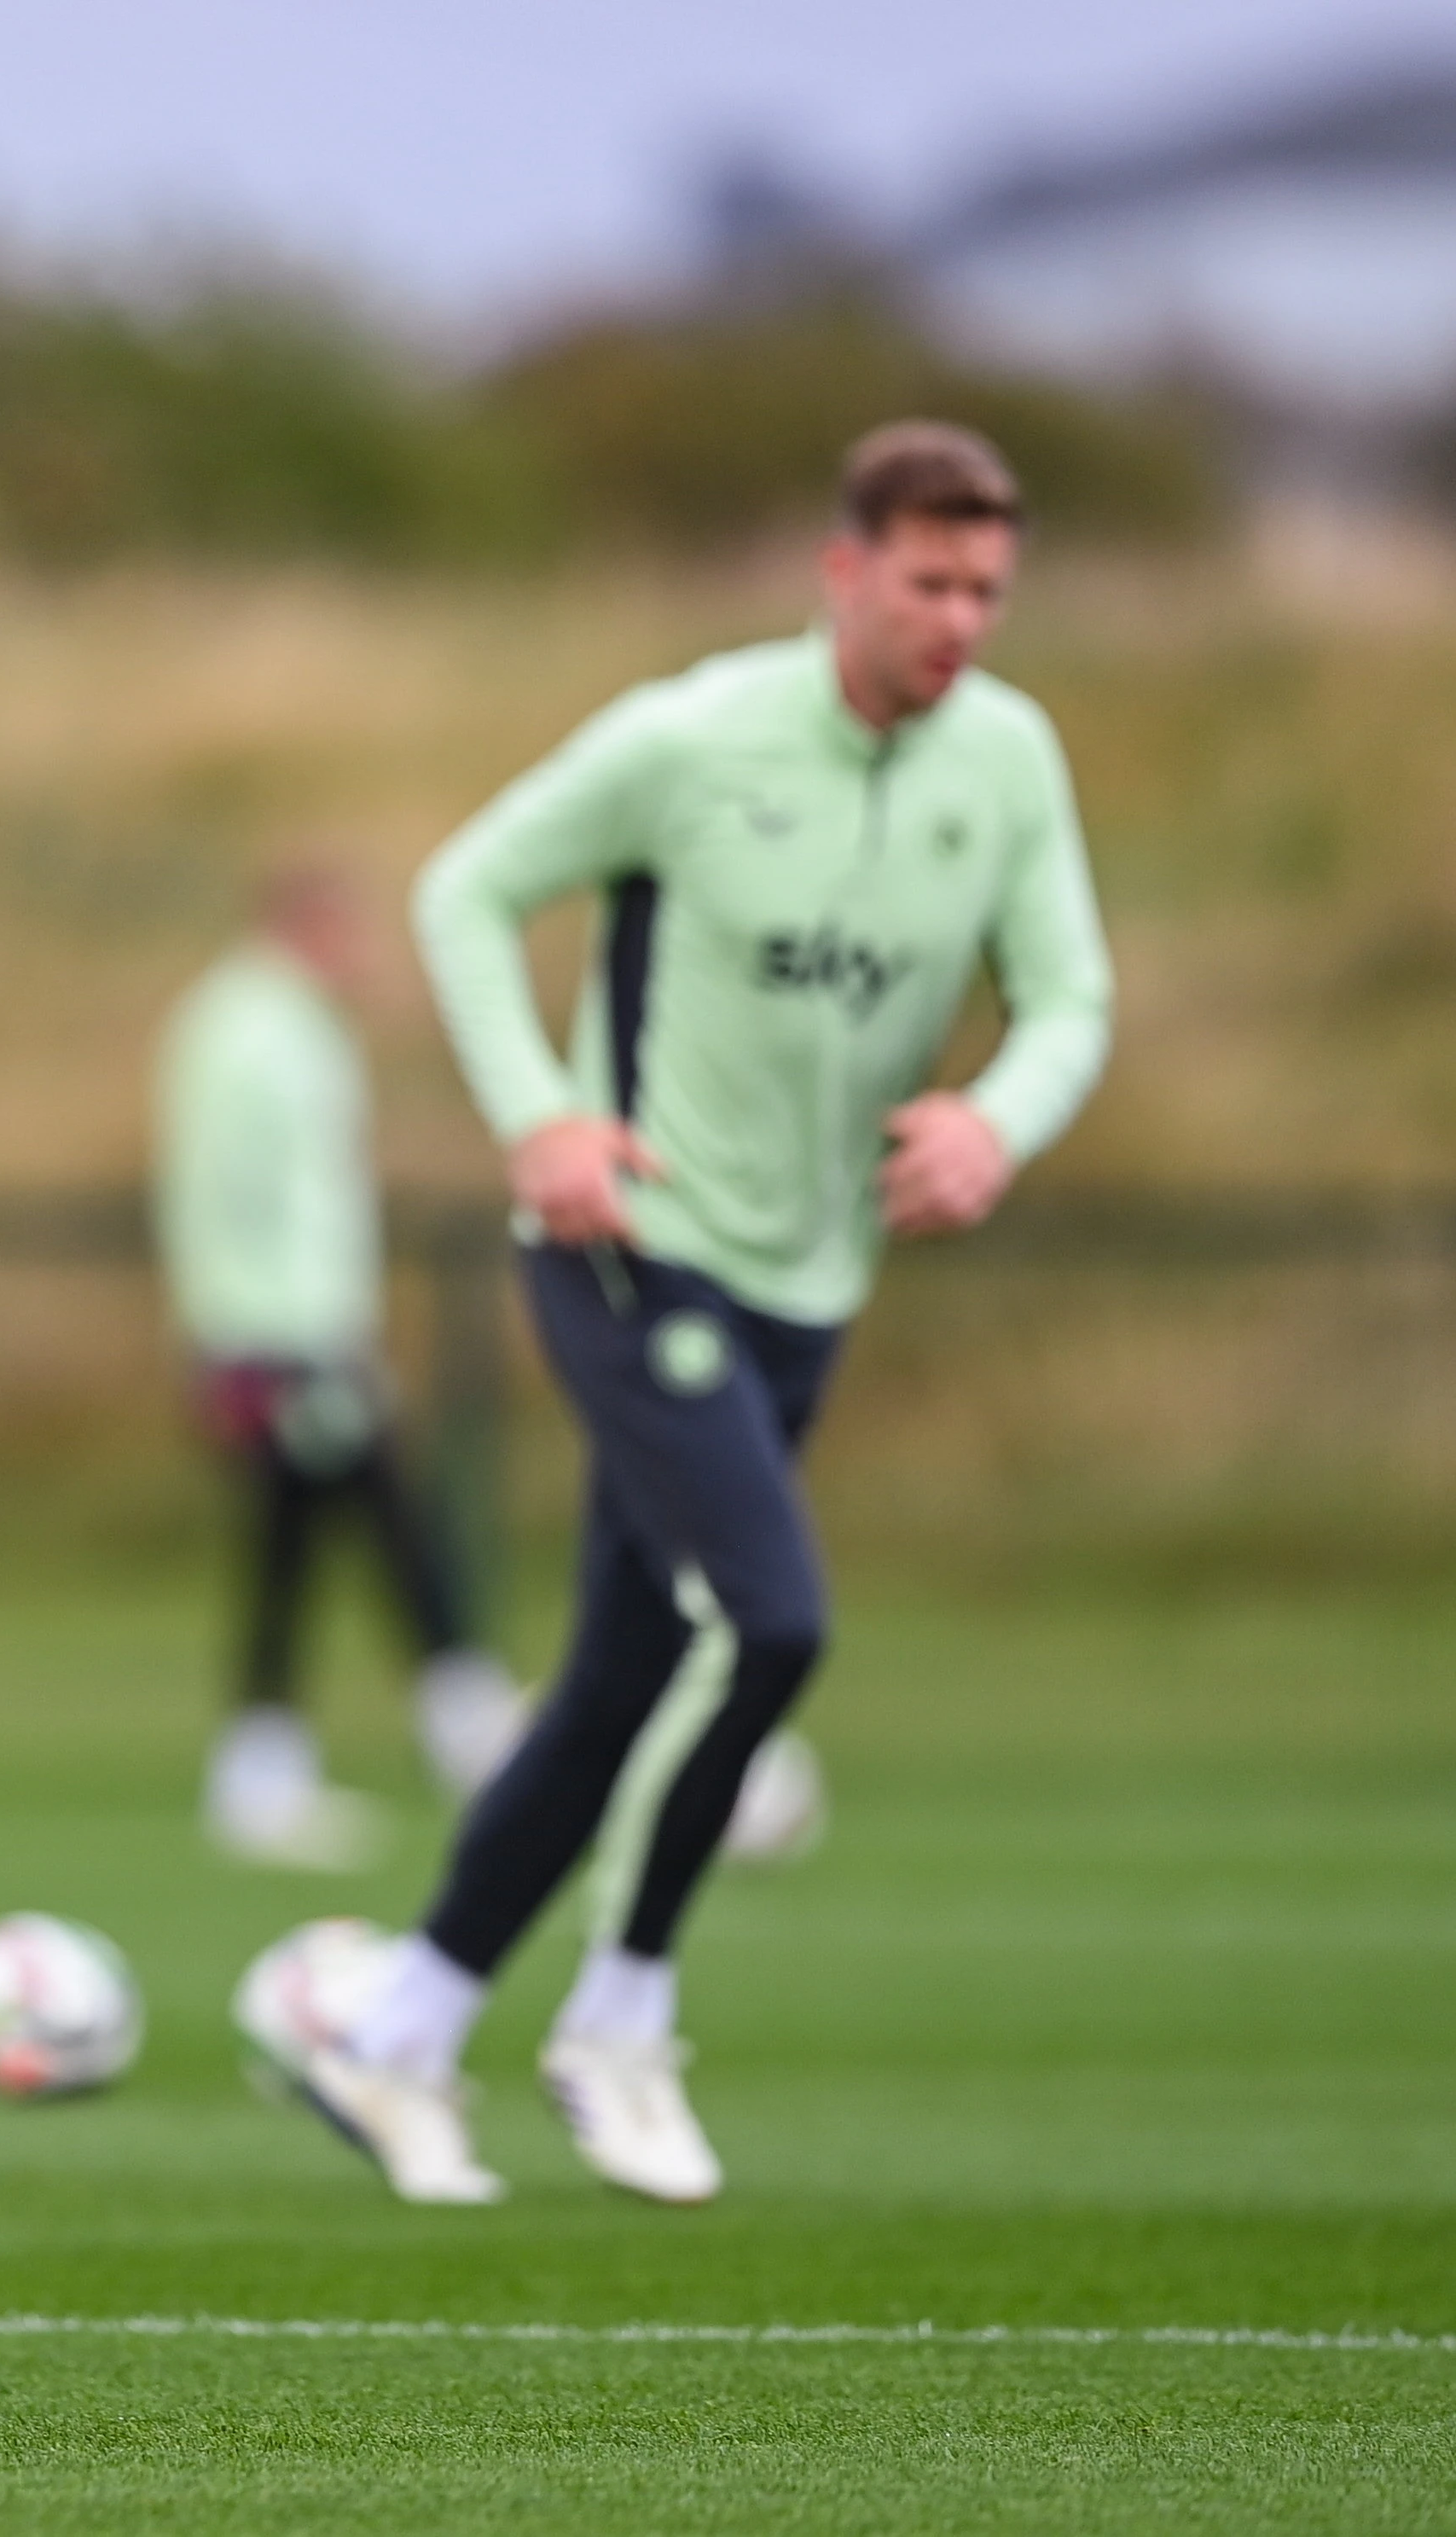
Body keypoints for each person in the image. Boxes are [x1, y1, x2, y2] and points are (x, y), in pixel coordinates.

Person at [243, 422, 1111, 2206]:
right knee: (772, 1623)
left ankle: (395, 2028)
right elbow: (464, 889)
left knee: (620, 1675)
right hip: (629, 1251)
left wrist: (988, 1118)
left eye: (986, 589)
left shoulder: (1003, 761)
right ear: (842, 570)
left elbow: (1068, 996)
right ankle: (615, 2018)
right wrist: (536, 1118)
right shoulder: (691, 738)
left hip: (809, 1282)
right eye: (928, 580)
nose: (958, 618)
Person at [154, 862, 520, 1868]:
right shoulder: (242, 1029)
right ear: (308, 925)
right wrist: (250, 1345)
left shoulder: (291, 1026)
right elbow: (225, 1192)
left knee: (306, 1534)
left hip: (305, 1332)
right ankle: (459, 1721)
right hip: (277, 1340)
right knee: (372, 1521)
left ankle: (272, 1765)